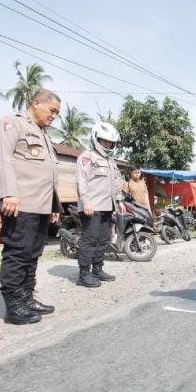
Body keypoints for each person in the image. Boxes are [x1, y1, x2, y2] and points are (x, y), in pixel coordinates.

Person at [0, 89, 61, 325]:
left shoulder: (43, 135)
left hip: (40, 206)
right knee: (18, 254)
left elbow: (48, 174)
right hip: (20, 203)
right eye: (52, 110)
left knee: (32, 254)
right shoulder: (13, 124)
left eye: (57, 113)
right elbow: (3, 159)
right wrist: (8, 192)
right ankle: (13, 305)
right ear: (36, 103)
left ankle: (26, 297)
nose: (54, 116)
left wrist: (54, 204)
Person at [75, 122, 125, 288]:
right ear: (96, 139)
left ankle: (97, 269)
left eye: (110, 142)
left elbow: (116, 182)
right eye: (104, 141)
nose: (108, 144)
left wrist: (119, 201)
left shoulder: (111, 161)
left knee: (103, 239)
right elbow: (81, 180)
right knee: (90, 240)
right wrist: (85, 200)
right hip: (92, 207)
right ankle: (84, 274)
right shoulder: (86, 157)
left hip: (107, 207)